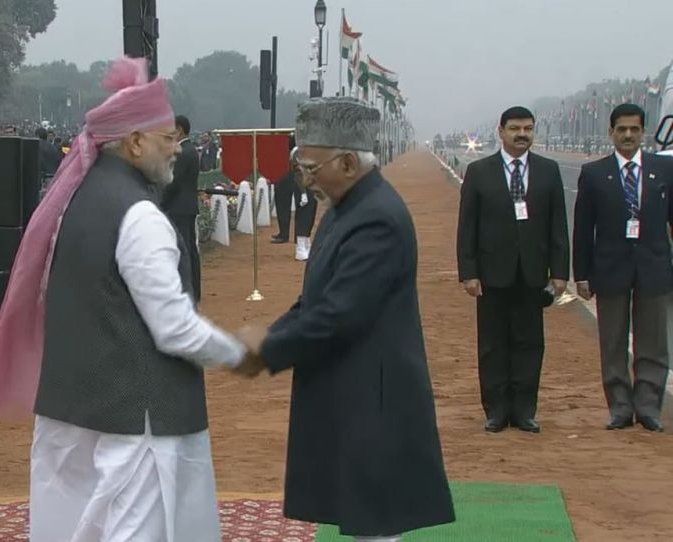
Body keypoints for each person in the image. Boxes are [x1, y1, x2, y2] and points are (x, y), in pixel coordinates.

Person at [0, 57, 249, 542]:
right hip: (138, 424)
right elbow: (175, 329)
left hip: (77, 413)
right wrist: (239, 351)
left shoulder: (74, 202)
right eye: (169, 139)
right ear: (136, 142)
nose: (177, 150)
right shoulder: (140, 217)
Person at [234, 97, 455, 542]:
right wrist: (272, 336)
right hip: (349, 387)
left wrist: (269, 349)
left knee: (375, 523)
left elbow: (339, 314)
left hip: (373, 395)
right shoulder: (346, 207)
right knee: (363, 518)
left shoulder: (376, 219)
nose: (304, 178)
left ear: (349, 162)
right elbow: (316, 297)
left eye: (311, 168)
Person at [456, 106, 569, 433]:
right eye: (516, 128)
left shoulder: (548, 171)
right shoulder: (479, 172)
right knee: (492, 344)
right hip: (491, 274)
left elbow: (558, 226)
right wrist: (469, 271)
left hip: (533, 274)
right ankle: (496, 410)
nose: (522, 134)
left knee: (529, 343)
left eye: (528, 128)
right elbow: (467, 227)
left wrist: (560, 272)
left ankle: (524, 411)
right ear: (501, 131)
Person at [573, 103, 673, 432]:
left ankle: (648, 407)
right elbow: (584, 228)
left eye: (634, 129)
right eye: (621, 129)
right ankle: (619, 407)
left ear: (643, 132)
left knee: (653, 342)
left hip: (654, 269)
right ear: (611, 133)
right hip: (610, 269)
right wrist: (582, 275)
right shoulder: (594, 173)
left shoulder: (664, 169)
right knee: (613, 341)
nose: (628, 135)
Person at [162, 115, 201, 302]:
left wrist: (161, 202)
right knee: (190, 250)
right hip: (187, 206)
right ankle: (194, 289)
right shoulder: (190, 149)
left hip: (179, 207)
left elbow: (173, 182)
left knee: (184, 251)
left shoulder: (183, 152)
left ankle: (188, 290)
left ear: (179, 130)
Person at [291, 147, 318, 261]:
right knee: (303, 216)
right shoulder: (298, 151)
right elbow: (298, 174)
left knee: (310, 216)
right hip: (302, 188)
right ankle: (300, 247)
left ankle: (306, 242)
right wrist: (303, 193)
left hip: (311, 188)